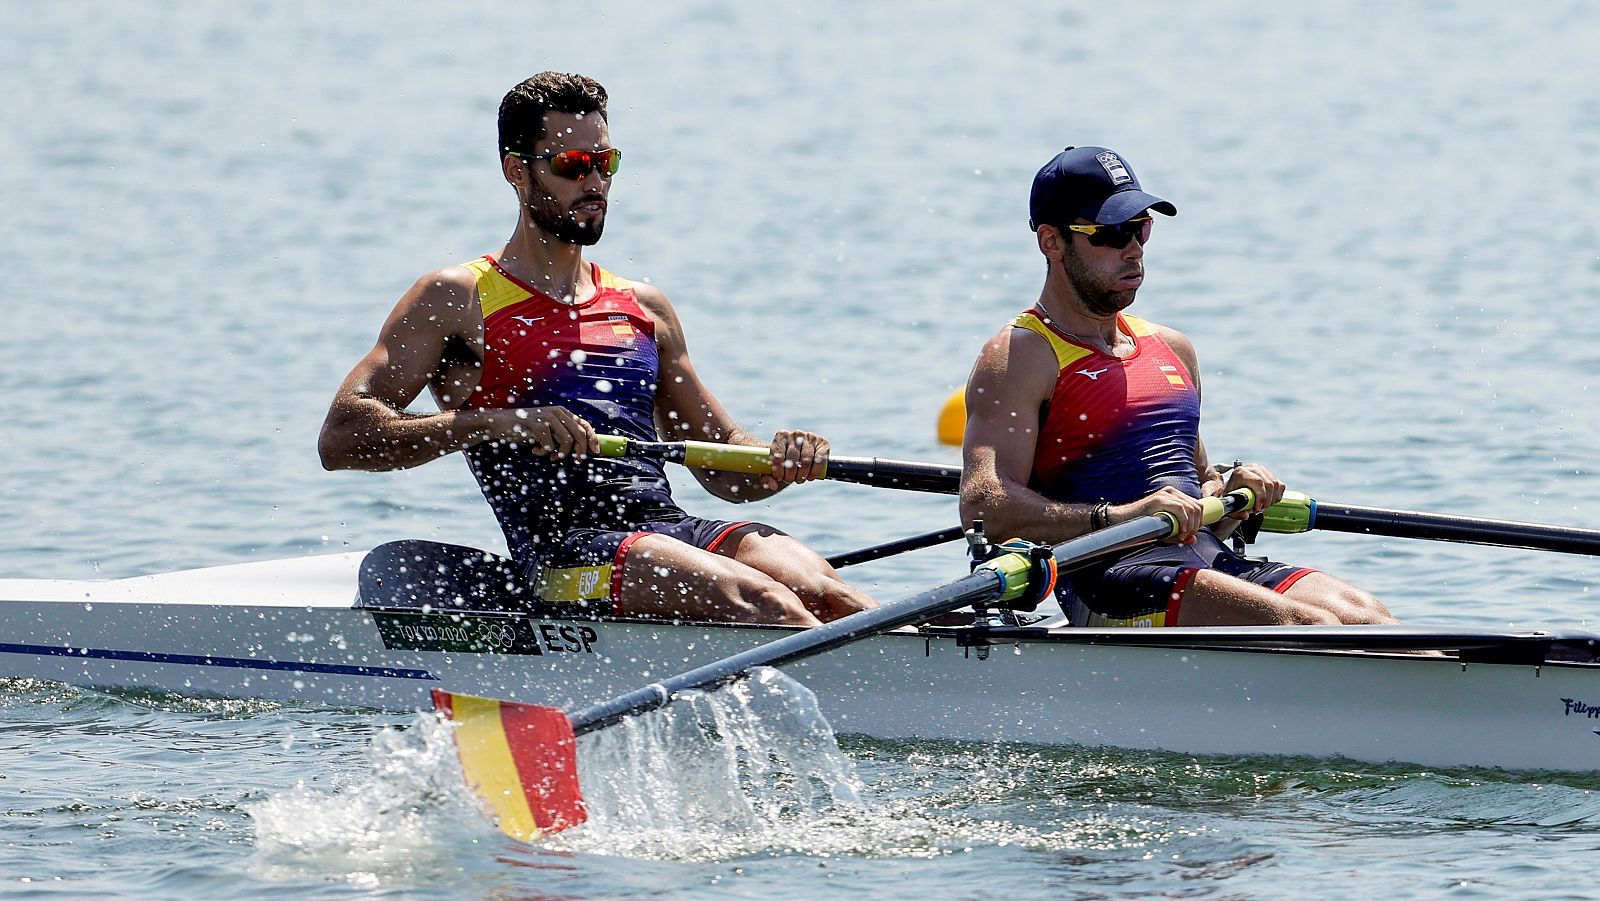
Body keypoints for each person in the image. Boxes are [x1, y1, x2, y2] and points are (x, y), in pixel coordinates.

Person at [318, 72, 874, 627]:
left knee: (831, 595)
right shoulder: (456, 297)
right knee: (766, 602)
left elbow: (725, 464)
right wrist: (495, 423)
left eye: (605, 163)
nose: (595, 182)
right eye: (572, 165)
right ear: (517, 172)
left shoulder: (644, 307)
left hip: (669, 530)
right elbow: (342, 437)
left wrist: (780, 458)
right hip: (563, 559)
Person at [959, 146, 1396, 628]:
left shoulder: (1171, 348)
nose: (1134, 248)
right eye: (1111, 232)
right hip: (1110, 579)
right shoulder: (1021, 355)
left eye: (1141, 227)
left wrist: (1231, 489)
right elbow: (984, 506)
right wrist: (1122, 515)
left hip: (1202, 559)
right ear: (1052, 242)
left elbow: (1199, 490)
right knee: (1310, 627)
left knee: (1368, 617)